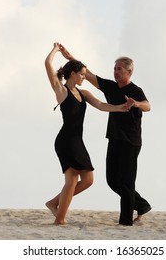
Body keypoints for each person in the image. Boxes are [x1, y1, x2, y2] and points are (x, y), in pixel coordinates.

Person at [59, 44, 152, 226]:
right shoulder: (110, 87)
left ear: (129, 72)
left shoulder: (135, 90)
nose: (116, 72)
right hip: (114, 138)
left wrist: (136, 104)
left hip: (131, 141)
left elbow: (148, 106)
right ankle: (141, 205)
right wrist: (70, 58)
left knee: (126, 181)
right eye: (115, 69)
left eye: (120, 69)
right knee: (112, 180)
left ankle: (125, 221)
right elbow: (90, 75)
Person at [44, 43, 132, 225]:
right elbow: (48, 64)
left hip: (77, 141)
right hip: (66, 141)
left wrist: (120, 108)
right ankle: (59, 219)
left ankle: (54, 203)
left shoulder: (83, 93)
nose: (85, 77)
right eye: (82, 74)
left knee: (88, 180)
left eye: (85, 74)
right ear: (73, 74)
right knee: (72, 179)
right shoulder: (61, 91)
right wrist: (55, 50)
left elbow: (100, 105)